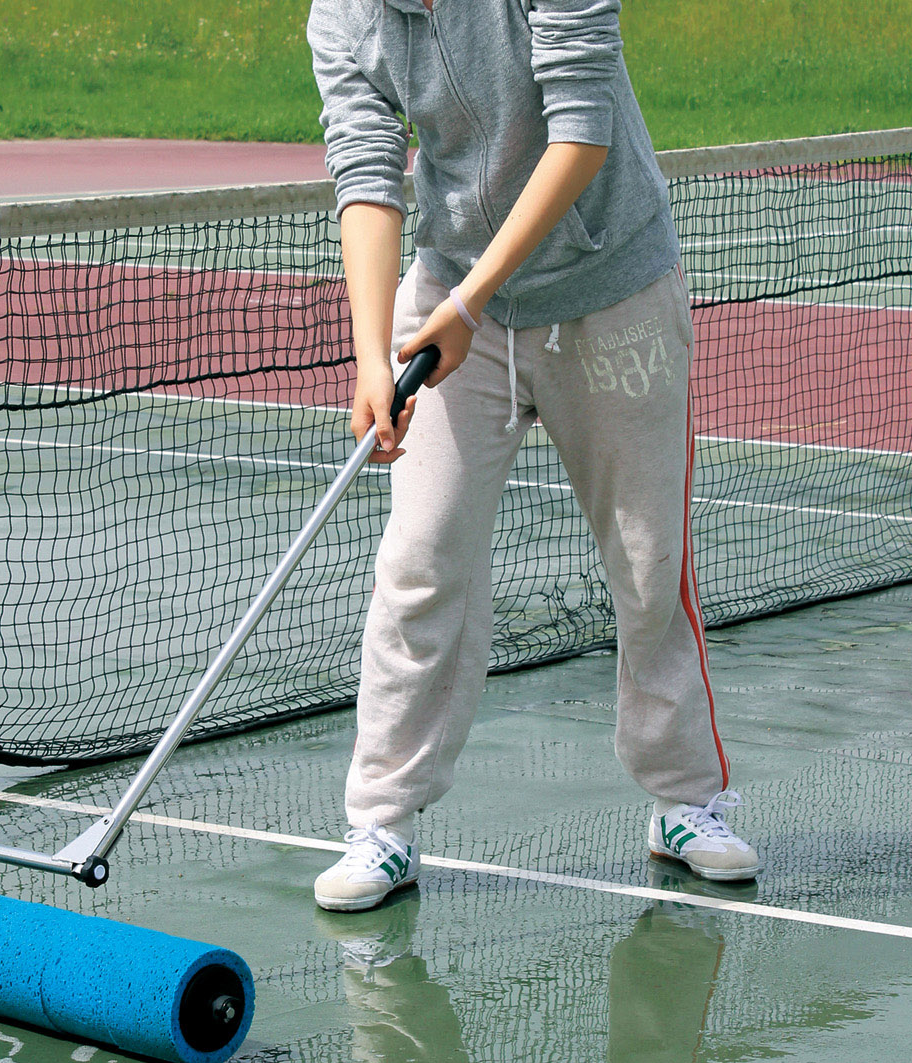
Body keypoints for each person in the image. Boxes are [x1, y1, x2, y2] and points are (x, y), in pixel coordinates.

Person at [307, 0, 762, 912]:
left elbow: (582, 131)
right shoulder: (343, 14)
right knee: (421, 558)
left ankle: (684, 802)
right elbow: (365, 168)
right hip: (449, 290)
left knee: (648, 561)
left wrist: (470, 305)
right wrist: (370, 356)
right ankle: (382, 825)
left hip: (609, 289)